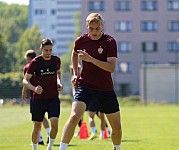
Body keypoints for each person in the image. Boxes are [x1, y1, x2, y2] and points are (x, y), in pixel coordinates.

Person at [59, 13, 122, 150]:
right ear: (87, 26)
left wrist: (91, 59)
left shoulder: (110, 42)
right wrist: (75, 73)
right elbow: (74, 54)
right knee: (75, 115)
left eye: (97, 29)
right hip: (85, 86)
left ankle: (117, 148)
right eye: (91, 28)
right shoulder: (81, 41)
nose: (94, 32)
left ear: (102, 26)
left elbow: (111, 67)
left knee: (116, 127)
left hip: (105, 88)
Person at [23, 38, 63, 150]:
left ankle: (49, 147)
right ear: (41, 49)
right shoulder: (35, 62)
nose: (48, 53)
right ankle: (35, 148)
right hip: (38, 99)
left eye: (50, 50)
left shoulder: (56, 60)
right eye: (46, 50)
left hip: (53, 98)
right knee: (37, 126)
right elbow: (25, 80)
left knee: (55, 124)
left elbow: (58, 73)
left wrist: (59, 83)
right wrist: (34, 88)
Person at [22, 49, 51, 145]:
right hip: (45, 94)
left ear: (29, 58)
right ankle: (48, 134)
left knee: (36, 119)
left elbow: (26, 81)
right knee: (42, 117)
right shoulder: (41, 63)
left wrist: (24, 91)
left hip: (35, 96)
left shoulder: (27, 67)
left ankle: (40, 138)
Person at [69, 64, 83, 137]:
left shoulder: (82, 77)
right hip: (79, 97)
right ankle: (81, 130)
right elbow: (74, 88)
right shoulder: (74, 77)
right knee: (79, 116)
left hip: (84, 97)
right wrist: (75, 96)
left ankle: (106, 128)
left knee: (96, 113)